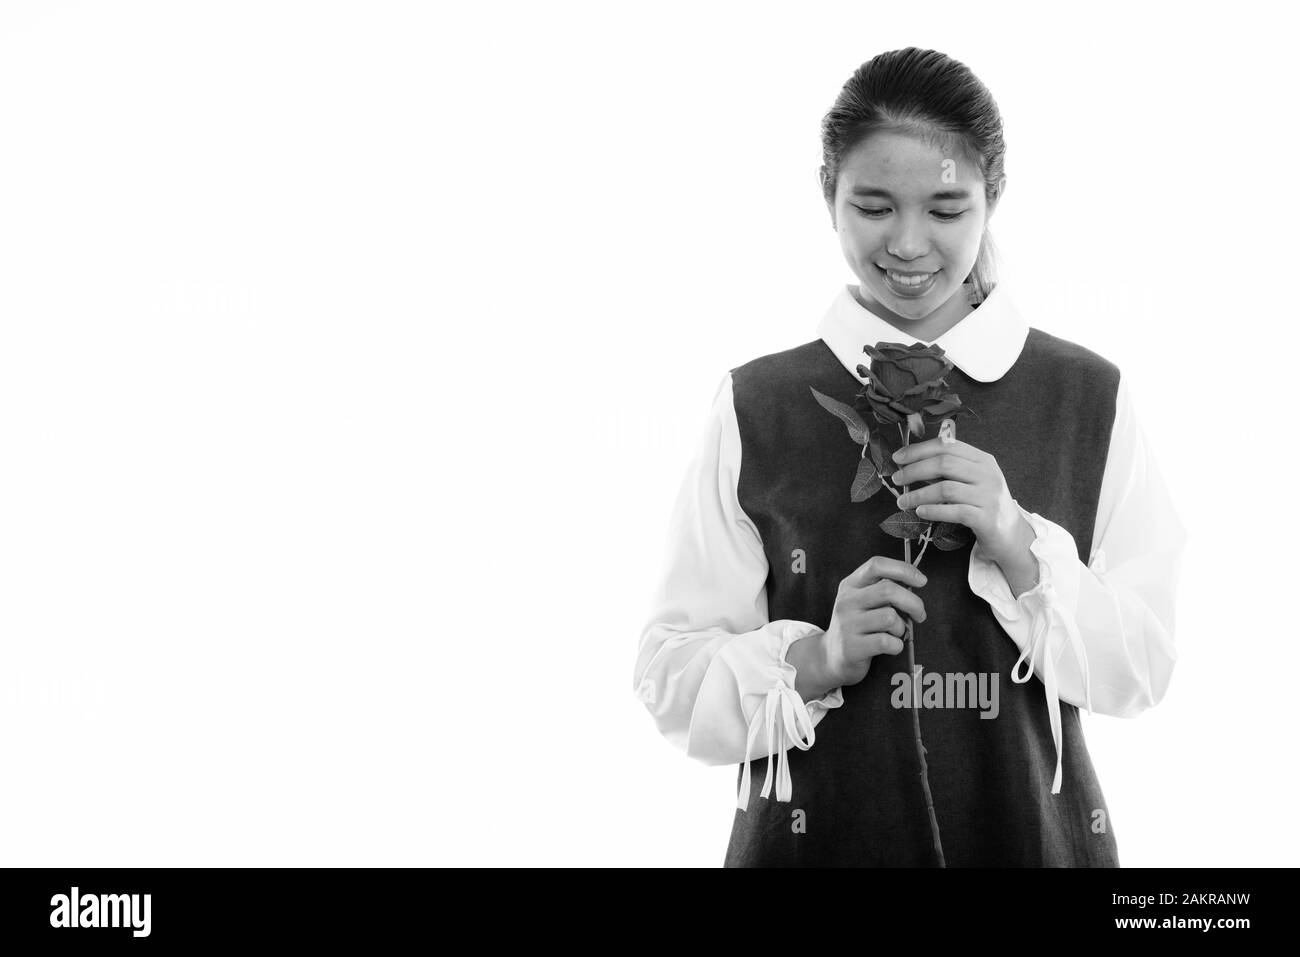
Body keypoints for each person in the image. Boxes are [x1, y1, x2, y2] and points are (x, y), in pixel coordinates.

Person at [631, 47, 1187, 867]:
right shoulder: (760, 402)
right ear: (829, 198)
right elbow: (669, 677)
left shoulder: (1086, 395)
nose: (908, 244)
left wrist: (1017, 541)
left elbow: (1140, 670)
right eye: (875, 206)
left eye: (946, 207)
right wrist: (817, 658)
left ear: (992, 199)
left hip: (1032, 841)